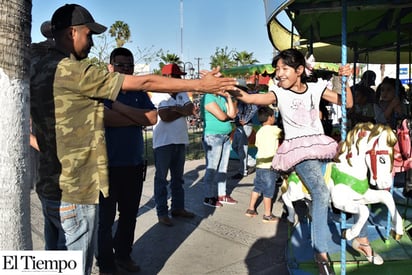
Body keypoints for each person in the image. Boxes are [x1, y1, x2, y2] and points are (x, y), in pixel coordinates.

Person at [29, 4, 237, 275]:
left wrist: (115, 111)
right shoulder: (75, 72)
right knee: (73, 267)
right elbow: (144, 83)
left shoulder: (38, 64)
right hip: (76, 191)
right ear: (71, 33)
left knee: (54, 263)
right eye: (88, 34)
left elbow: (149, 116)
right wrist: (200, 85)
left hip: (49, 186)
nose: (91, 42)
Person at [229, 48, 353, 274]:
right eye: (277, 69)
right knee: (321, 192)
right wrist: (231, 89)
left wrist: (345, 80)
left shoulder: (316, 88)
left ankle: (350, 234)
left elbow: (347, 103)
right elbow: (251, 97)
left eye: (284, 69)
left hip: (320, 146)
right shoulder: (279, 93)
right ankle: (321, 253)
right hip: (298, 150)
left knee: (337, 187)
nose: (279, 74)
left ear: (299, 70)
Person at [95, 47, 156, 274]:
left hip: (134, 164)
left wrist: (118, 107)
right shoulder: (101, 90)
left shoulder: (138, 93)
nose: (126, 69)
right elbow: (104, 118)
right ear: (110, 67)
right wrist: (135, 117)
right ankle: (105, 263)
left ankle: (123, 255)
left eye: (129, 65)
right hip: (107, 166)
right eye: (121, 65)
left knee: (129, 215)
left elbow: (152, 118)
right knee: (105, 220)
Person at [151, 64, 196, 227]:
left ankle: (178, 208)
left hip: (180, 140)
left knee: (178, 179)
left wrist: (177, 109)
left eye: (180, 76)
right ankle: (162, 212)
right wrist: (181, 109)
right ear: (168, 78)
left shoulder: (182, 92)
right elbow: (165, 116)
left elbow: (191, 109)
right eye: (176, 76)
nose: (179, 79)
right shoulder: (158, 93)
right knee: (161, 179)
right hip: (163, 143)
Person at [200, 90, 238, 207]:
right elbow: (222, 117)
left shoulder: (222, 98)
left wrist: (229, 98)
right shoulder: (208, 97)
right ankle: (208, 196)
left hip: (225, 136)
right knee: (212, 167)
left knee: (223, 167)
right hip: (213, 136)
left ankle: (222, 195)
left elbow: (233, 114)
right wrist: (228, 116)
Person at [245, 106, 282, 223]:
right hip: (269, 166)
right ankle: (267, 215)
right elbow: (284, 135)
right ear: (270, 118)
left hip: (260, 164)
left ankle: (250, 209)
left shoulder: (259, 131)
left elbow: (257, 145)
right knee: (268, 191)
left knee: (257, 187)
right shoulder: (275, 130)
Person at [231, 89, 258, 179]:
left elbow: (254, 108)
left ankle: (243, 171)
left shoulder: (245, 99)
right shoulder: (238, 100)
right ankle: (251, 161)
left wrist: (245, 119)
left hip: (245, 126)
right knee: (235, 146)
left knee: (242, 148)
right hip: (240, 126)